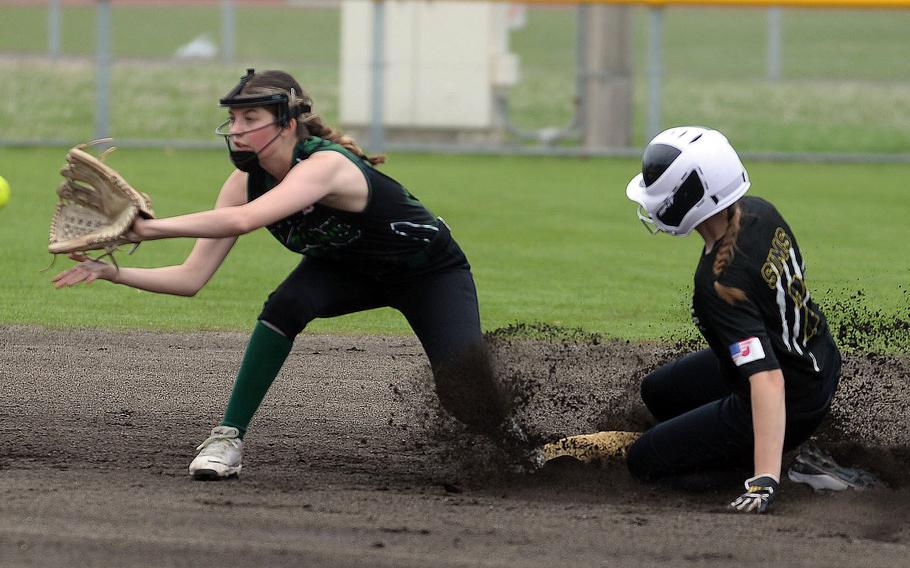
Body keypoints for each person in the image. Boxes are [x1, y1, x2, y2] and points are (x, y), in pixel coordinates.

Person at [53, 68, 527, 480]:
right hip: (344, 268)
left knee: (464, 396)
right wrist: (112, 273)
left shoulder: (326, 166)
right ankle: (227, 438)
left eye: (251, 119)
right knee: (286, 304)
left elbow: (241, 222)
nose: (236, 130)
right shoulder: (244, 181)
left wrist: (147, 230)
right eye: (234, 119)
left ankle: (529, 450)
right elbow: (189, 278)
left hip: (429, 273)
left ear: (289, 123)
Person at [622, 126, 842, 513]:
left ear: (688, 198)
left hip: (794, 393)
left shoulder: (719, 286)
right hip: (814, 354)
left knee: (644, 461)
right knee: (658, 392)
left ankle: (791, 469)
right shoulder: (760, 210)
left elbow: (768, 379)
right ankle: (743, 443)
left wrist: (764, 481)